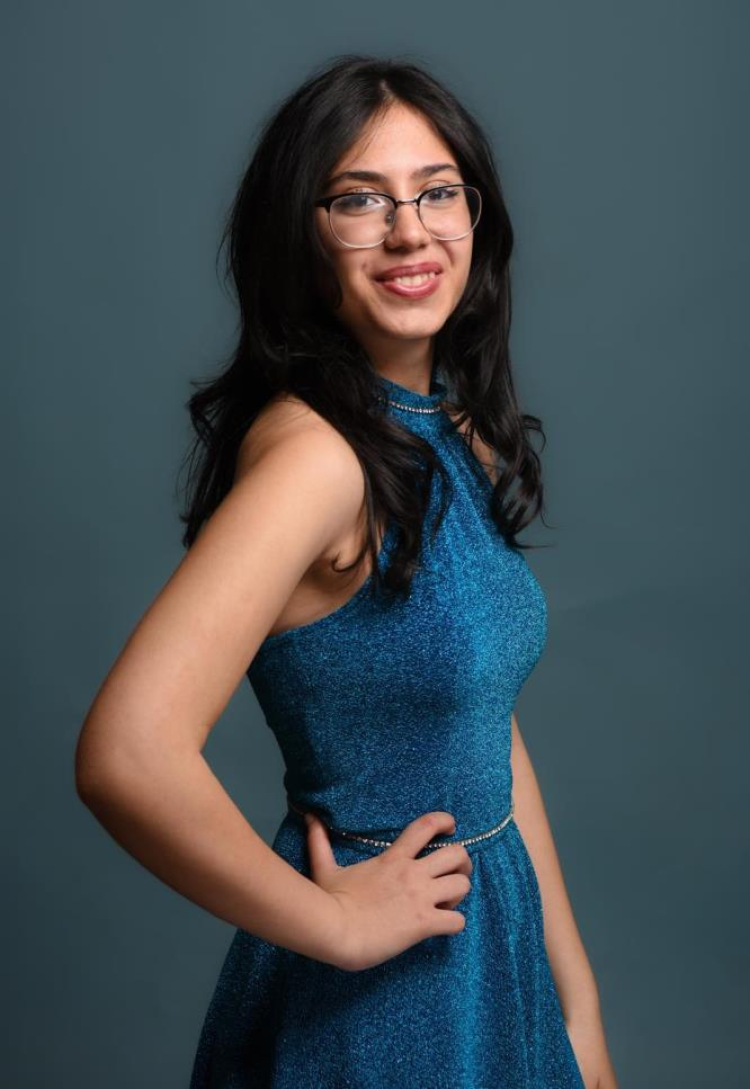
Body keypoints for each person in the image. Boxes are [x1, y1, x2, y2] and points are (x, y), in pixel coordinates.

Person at [75, 54, 618, 1088]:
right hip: (384, 1001)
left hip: (494, 952)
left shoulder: (450, 429)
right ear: (303, 235)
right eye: (360, 200)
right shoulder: (319, 460)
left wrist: (577, 1004)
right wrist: (337, 925)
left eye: (437, 192)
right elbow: (125, 755)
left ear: (475, 217)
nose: (409, 231)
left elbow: (481, 725)